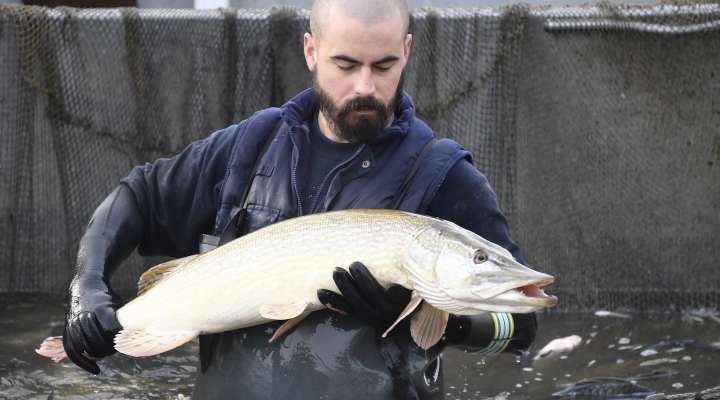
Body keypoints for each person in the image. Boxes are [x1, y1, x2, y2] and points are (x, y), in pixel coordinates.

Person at [61, 0, 538, 398]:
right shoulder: (249, 145)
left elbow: (518, 329)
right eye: (346, 65)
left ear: (406, 51)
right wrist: (87, 285)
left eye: (384, 65)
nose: (365, 87)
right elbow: (140, 196)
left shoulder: (445, 176)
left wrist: (443, 322)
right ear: (311, 50)